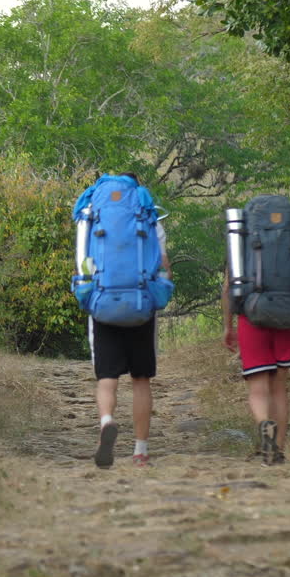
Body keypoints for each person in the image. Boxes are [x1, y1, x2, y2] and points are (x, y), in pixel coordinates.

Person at [89, 175, 171, 470]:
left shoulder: (92, 216)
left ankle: (107, 422)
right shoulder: (149, 217)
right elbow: (163, 266)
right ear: (138, 192)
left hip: (104, 305)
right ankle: (140, 451)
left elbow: (83, 265)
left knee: (107, 378)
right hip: (140, 305)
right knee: (140, 380)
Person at [223, 274, 290, 466]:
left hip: (250, 315)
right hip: (287, 314)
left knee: (258, 388)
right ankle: (278, 452)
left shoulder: (239, 243)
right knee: (279, 387)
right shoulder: (289, 242)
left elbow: (228, 288)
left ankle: (264, 423)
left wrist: (228, 326)